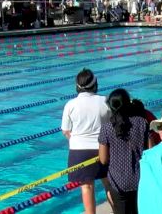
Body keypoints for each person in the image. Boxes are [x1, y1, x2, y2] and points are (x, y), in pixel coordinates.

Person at [61, 68, 112, 214]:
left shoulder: (70, 104)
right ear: (95, 84)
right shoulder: (105, 101)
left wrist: (77, 140)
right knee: (109, 184)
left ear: (77, 86)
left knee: (87, 187)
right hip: (103, 149)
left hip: (79, 151)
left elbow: (66, 130)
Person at [99, 89, 147, 214]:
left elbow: (103, 159)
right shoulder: (142, 122)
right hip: (140, 179)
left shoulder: (106, 128)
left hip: (117, 182)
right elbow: (150, 151)